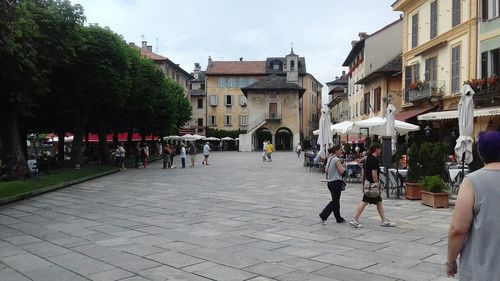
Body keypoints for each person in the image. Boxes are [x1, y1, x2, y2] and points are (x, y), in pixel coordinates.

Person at [446, 131, 500, 279]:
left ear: (480, 153)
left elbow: (458, 229)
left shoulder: (473, 181)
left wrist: (450, 261)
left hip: (482, 270)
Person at [350, 143, 394, 228]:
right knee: (365, 203)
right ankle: (355, 219)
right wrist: (377, 184)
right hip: (372, 186)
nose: (380, 151)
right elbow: (374, 174)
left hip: (368, 185)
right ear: (376, 149)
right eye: (380, 149)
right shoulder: (373, 159)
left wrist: (363, 184)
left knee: (378, 202)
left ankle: (384, 220)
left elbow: (363, 172)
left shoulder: (367, 158)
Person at [319, 145, 346, 224]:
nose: (341, 151)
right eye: (340, 150)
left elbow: (326, 170)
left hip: (330, 182)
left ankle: (338, 218)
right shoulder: (336, 159)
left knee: (336, 201)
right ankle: (323, 215)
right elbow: (342, 171)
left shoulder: (329, 159)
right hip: (336, 182)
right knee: (335, 201)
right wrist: (343, 167)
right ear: (336, 151)